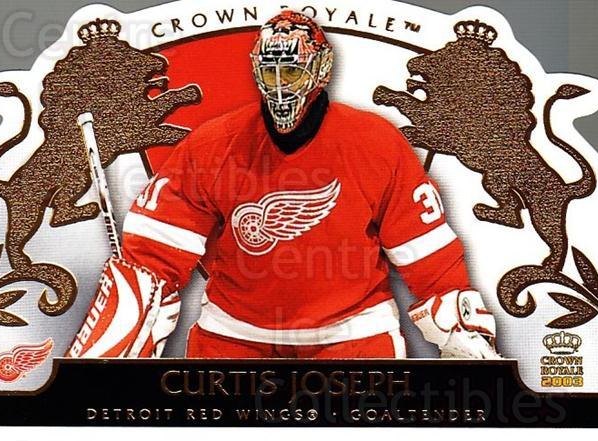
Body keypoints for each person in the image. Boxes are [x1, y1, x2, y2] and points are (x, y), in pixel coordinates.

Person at [67, 11, 499, 359]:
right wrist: (126, 319)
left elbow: (429, 258)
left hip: (353, 335)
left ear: (320, 70)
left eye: (289, 72)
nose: (277, 87)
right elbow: (153, 255)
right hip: (234, 335)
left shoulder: (376, 144)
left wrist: (460, 331)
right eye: (268, 72)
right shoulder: (213, 144)